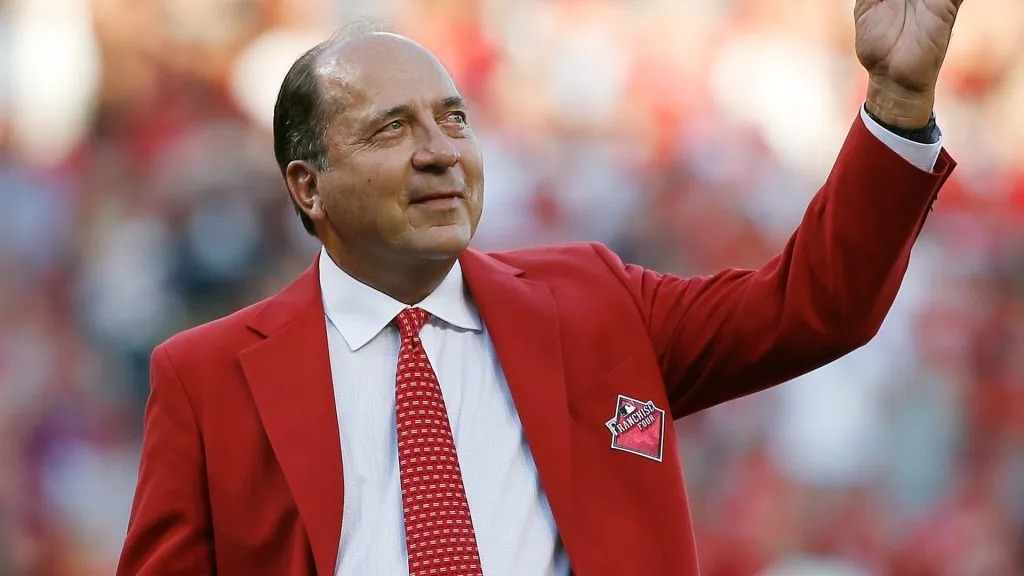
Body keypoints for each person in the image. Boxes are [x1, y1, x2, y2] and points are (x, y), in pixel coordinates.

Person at [117, 1, 966, 575]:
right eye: (392, 128)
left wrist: (895, 101)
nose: (441, 150)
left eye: (454, 119)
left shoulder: (594, 299)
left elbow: (815, 307)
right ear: (309, 186)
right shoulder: (205, 379)